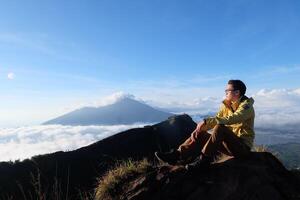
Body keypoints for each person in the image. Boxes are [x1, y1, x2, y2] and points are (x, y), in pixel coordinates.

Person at [155, 80, 255, 170]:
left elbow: (234, 118)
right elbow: (217, 118)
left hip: (242, 147)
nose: (225, 93)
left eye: (227, 90)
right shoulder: (227, 105)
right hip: (228, 144)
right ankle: (177, 155)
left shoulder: (246, 106)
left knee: (220, 127)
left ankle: (204, 160)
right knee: (201, 133)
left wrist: (206, 122)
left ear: (237, 92)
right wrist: (200, 129)